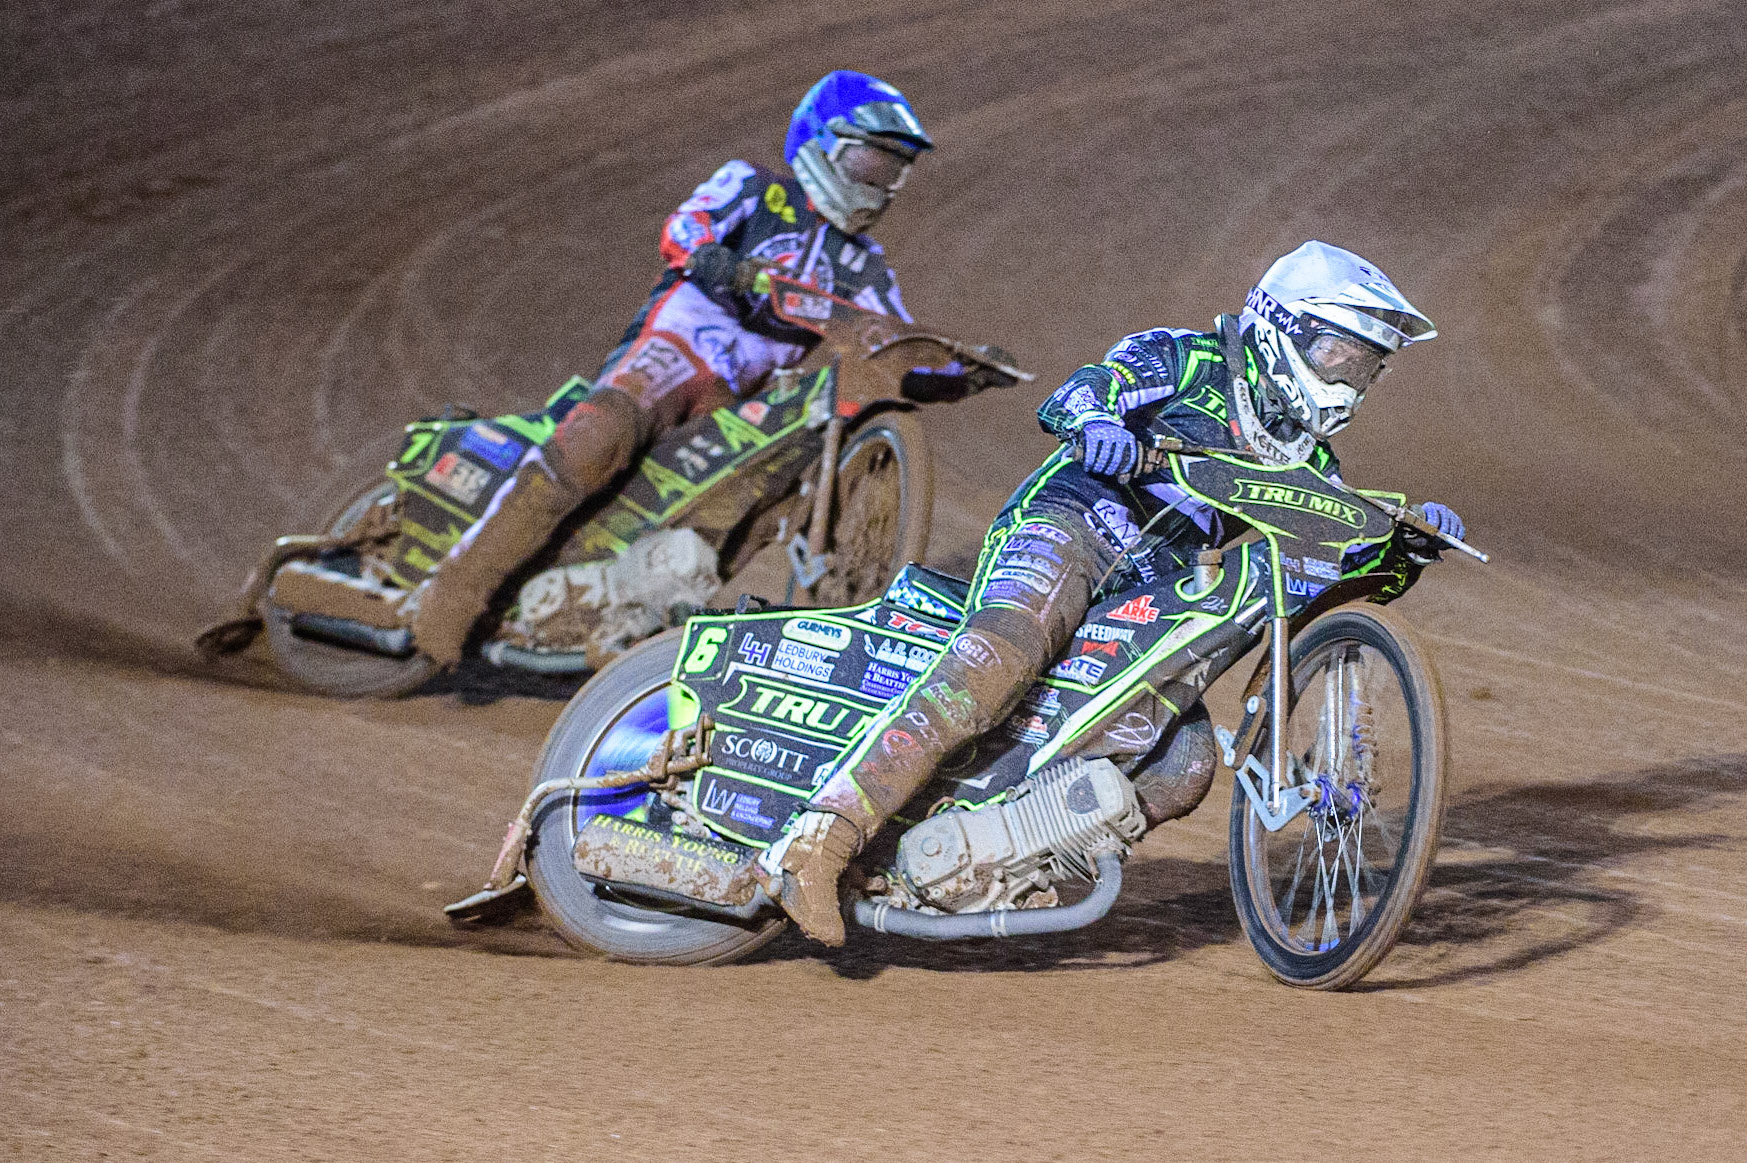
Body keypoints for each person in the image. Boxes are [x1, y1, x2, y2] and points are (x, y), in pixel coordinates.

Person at [756, 240, 1469, 944]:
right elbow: (1086, 389)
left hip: (1154, 588)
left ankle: (995, 856)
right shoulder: (1189, 357)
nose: (1350, 379)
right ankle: (816, 841)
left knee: (1183, 760)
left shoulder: (1310, 459)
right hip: (1072, 523)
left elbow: (1313, 580)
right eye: (1339, 355)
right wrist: (1098, 426)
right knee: (1003, 652)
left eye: (1366, 366)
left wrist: (1397, 548)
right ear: (1284, 326)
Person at [408, 71, 937, 664]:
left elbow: (892, 331)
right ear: (822, 142)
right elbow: (687, 226)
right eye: (872, 162)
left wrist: (949, 366)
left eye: (894, 171)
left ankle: (625, 611)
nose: (881, 184)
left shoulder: (865, 263)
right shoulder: (757, 188)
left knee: (755, 502)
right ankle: (456, 589)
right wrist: (716, 259)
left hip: (737, 402)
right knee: (599, 437)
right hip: (678, 347)